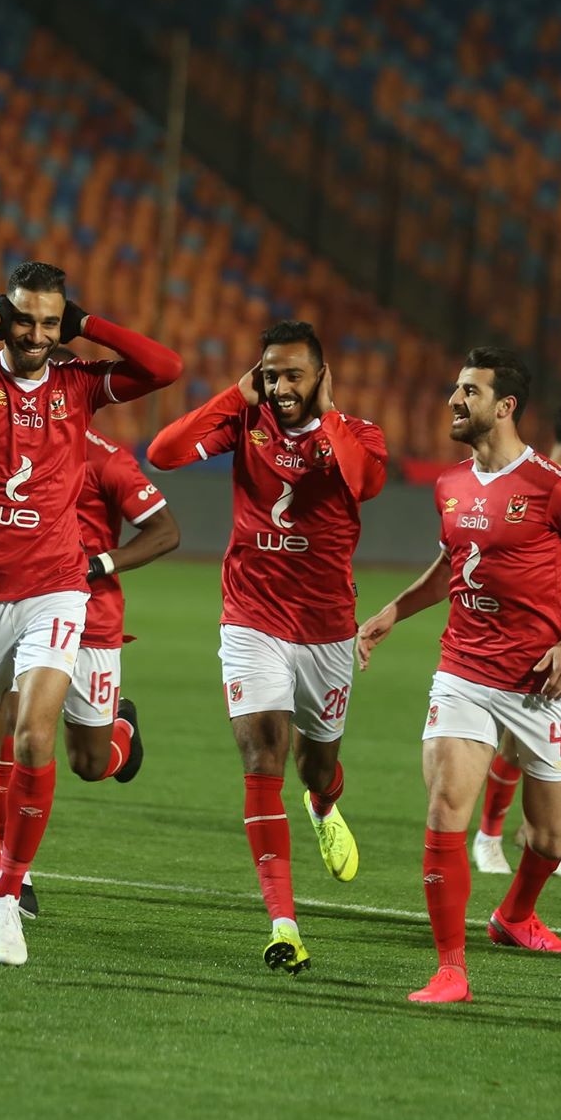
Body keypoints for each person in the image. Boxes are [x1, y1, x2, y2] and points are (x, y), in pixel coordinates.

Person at [0, 261, 181, 967]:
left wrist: (86, 327)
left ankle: (8, 891)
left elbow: (165, 366)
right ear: (6, 316)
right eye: (25, 319)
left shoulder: (77, 386)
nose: (36, 334)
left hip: (56, 588)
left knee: (32, 738)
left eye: (50, 323)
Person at [357, 347, 561, 1004]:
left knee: (553, 835)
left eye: (469, 391)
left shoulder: (553, 486)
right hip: (465, 672)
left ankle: (517, 911)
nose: (454, 399)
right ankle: (451, 968)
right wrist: (392, 612)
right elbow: (455, 564)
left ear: (505, 406)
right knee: (448, 802)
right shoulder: (450, 485)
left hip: (541, 684)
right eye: (455, 388)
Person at [149, 320, 387, 975]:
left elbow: (364, 481)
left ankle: (324, 800)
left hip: (326, 629)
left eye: (293, 375)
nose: (280, 387)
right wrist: (234, 395)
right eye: (270, 374)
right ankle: (284, 922)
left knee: (315, 767)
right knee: (262, 752)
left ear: (321, 376)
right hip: (251, 616)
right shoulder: (244, 423)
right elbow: (164, 451)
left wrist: (330, 414)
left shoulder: (360, 434)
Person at [0, 424, 181, 918]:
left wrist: (98, 564)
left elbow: (165, 532)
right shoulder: (12, 443)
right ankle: (12, 875)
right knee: (14, 727)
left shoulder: (106, 459)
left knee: (90, 764)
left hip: (92, 619)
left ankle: (121, 728)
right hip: (25, 609)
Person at [473, 394, 561, 879]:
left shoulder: (549, 479)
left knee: (525, 744)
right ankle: (495, 837)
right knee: (519, 741)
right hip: (525, 642)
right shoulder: (550, 485)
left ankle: (513, 836)